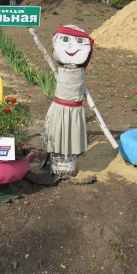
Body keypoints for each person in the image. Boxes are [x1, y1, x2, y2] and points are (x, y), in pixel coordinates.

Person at [41, 24, 94, 179]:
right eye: (65, 40)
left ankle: (68, 166)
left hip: (74, 106)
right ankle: (57, 164)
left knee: (70, 132)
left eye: (79, 41)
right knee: (57, 132)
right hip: (60, 106)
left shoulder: (79, 69)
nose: (71, 46)